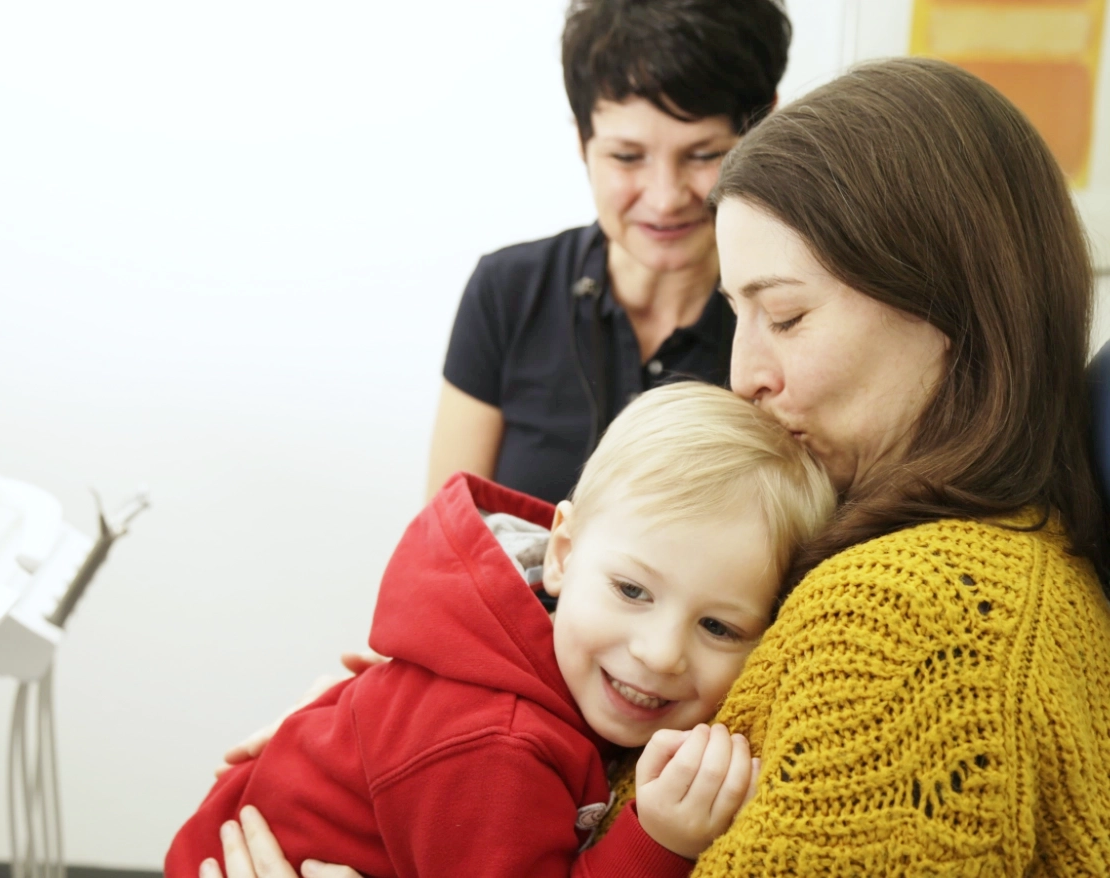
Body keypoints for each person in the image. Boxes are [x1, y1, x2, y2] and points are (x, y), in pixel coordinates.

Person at [203, 56, 1110, 876]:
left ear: (949, 304)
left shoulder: (920, 617)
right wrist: (423, 707)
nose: (746, 375)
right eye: (738, 315)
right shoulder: (941, 557)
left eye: (785, 318)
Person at [169, 383, 835, 878]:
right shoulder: (497, 743)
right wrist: (655, 841)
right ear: (562, 553)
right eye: (632, 590)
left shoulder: (541, 663)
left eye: (718, 626)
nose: (659, 652)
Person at [426, 0, 791, 504]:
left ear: (762, 129)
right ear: (582, 139)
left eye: (705, 154)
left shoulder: (790, 321)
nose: (665, 198)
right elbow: (445, 544)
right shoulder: (507, 292)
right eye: (626, 157)